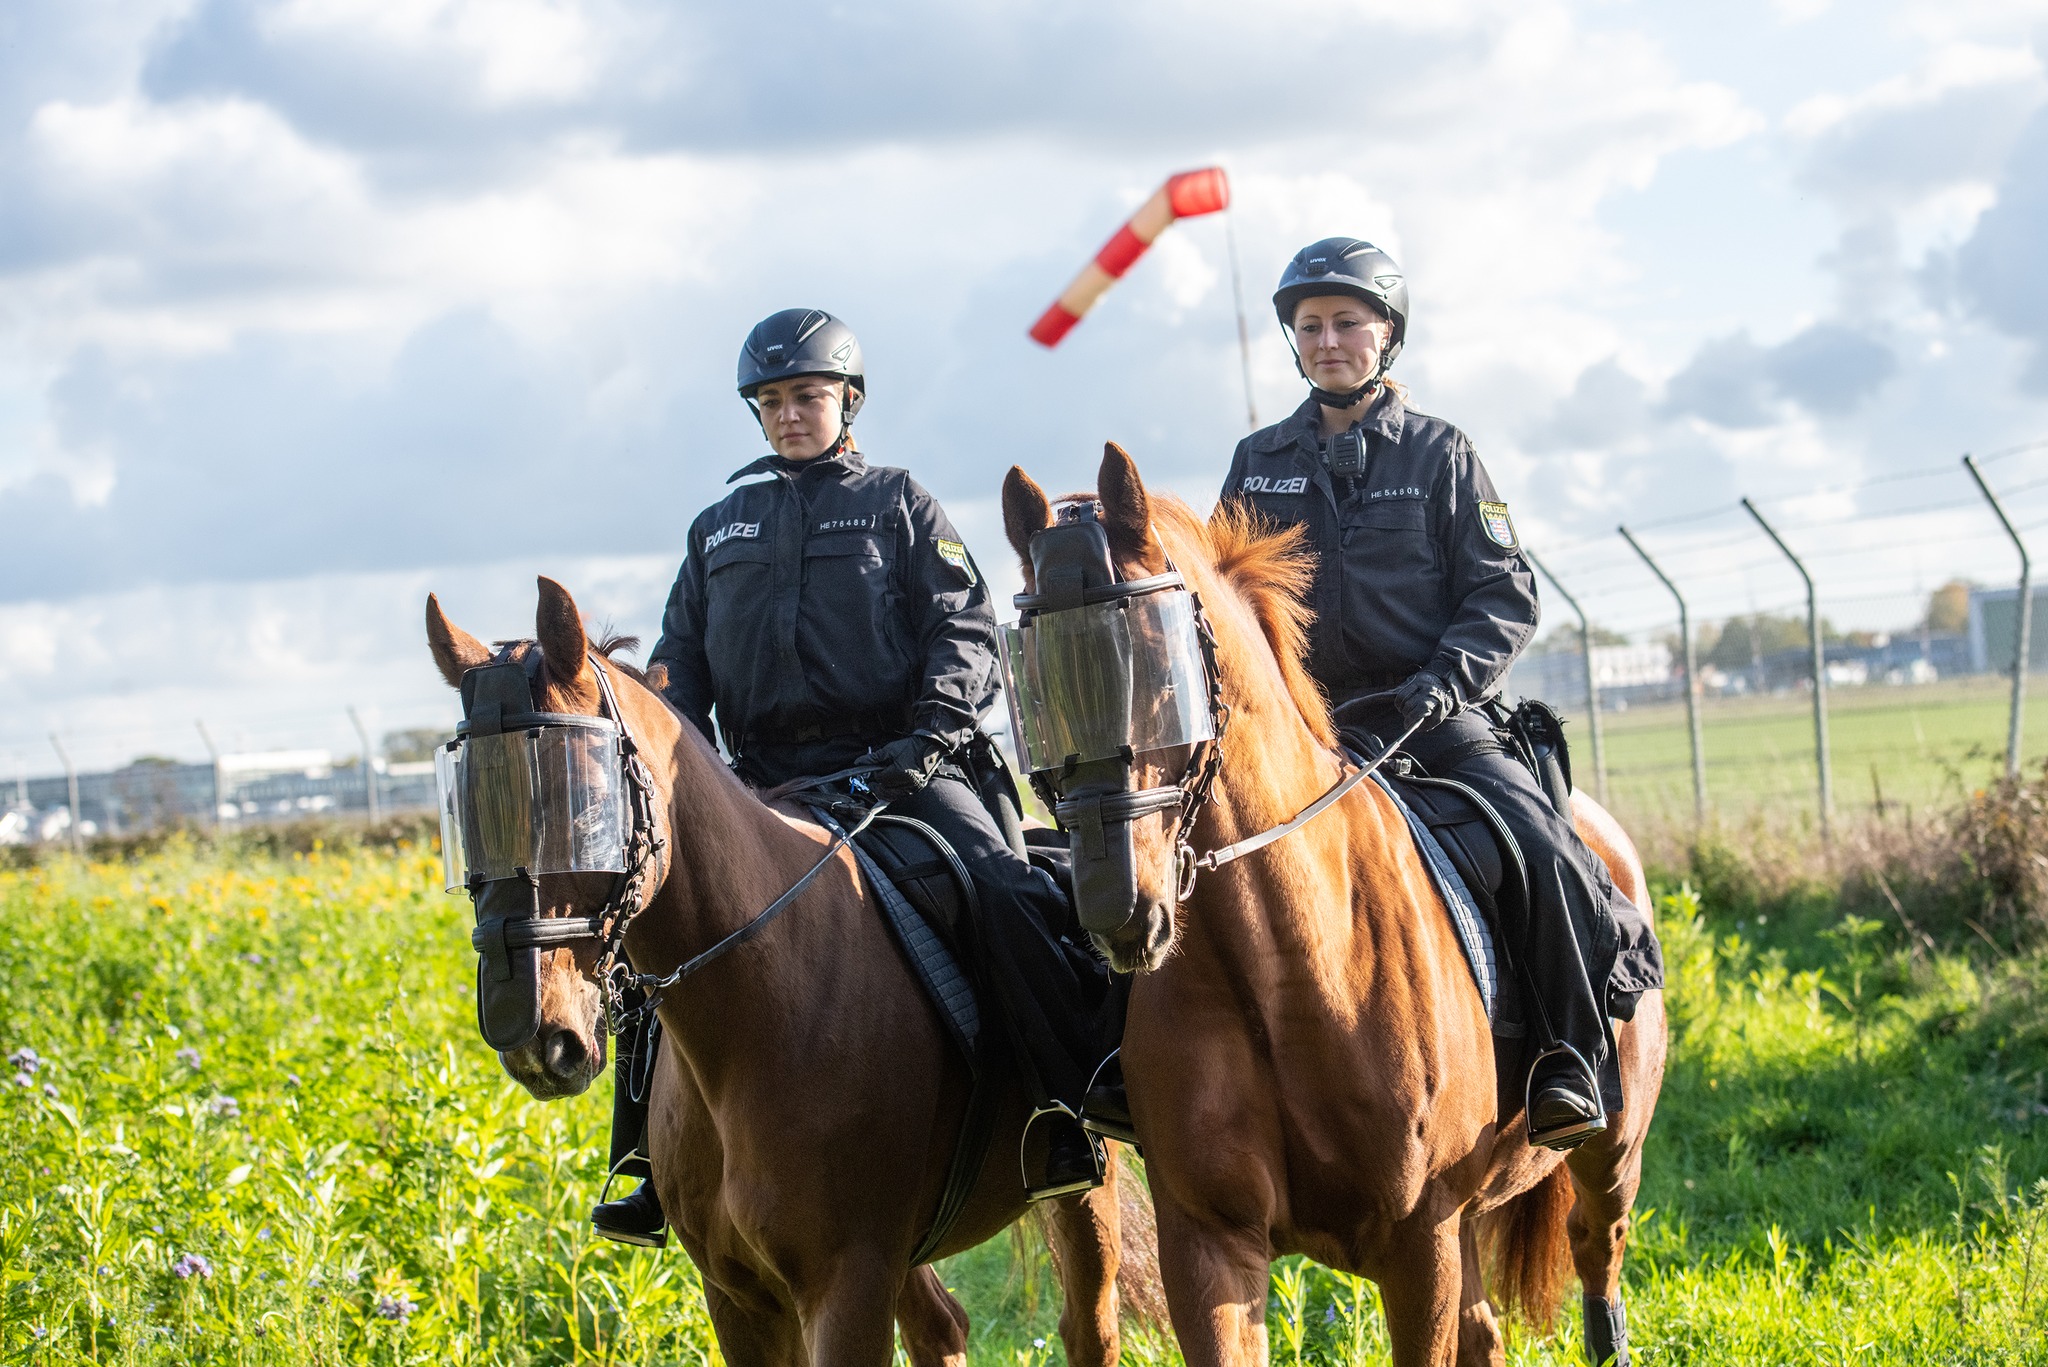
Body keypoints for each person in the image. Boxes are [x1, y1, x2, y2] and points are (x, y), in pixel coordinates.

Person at [590, 308, 1111, 1246]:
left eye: (808, 396)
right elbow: (682, 673)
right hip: (768, 787)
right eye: (773, 401)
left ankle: (1064, 1113)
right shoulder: (717, 530)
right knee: (657, 923)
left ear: (848, 400)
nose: (790, 414)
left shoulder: (902, 505)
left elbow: (964, 637)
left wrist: (918, 747)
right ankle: (642, 1161)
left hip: (912, 771)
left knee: (1003, 888)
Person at [1218, 238, 1632, 1151]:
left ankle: (1569, 1056)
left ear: (1387, 336)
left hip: (1435, 719)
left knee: (1542, 847)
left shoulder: (1443, 451)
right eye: (1310, 326)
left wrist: (1440, 689)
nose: (1327, 341)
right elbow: (1227, 603)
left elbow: (1504, 593)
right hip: (1305, 732)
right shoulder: (1256, 462)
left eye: (1347, 324)